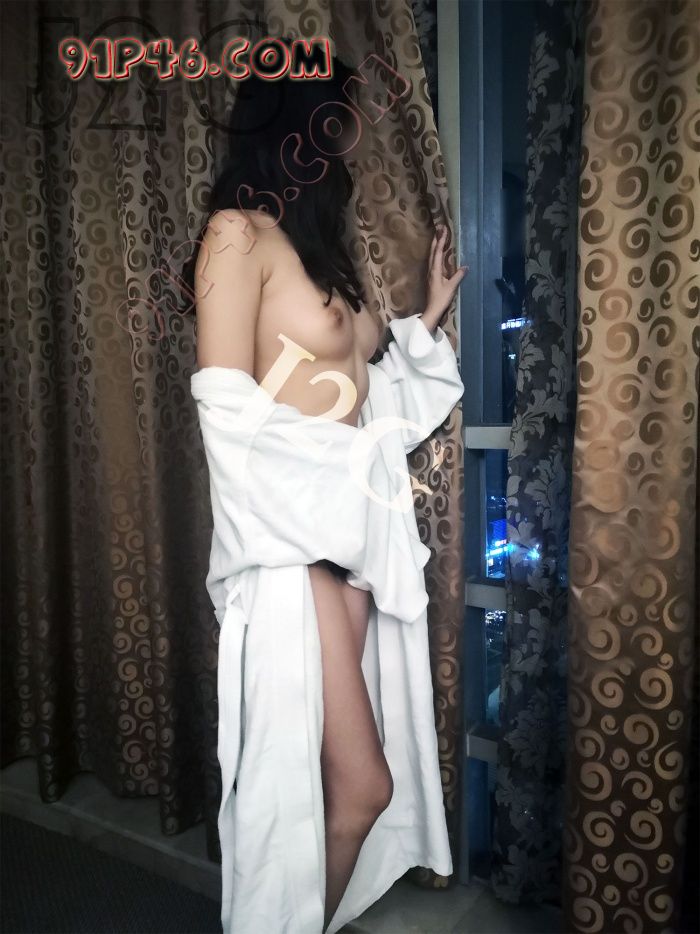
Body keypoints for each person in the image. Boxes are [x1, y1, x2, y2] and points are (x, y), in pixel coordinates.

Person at [186, 37, 467, 934]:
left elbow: (362, 391)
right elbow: (226, 408)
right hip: (296, 547)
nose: (351, 141)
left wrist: (427, 317)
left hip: (355, 546)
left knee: (334, 791)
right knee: (359, 787)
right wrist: (303, 525)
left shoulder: (321, 253)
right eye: (339, 120)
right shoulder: (236, 236)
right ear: (297, 123)